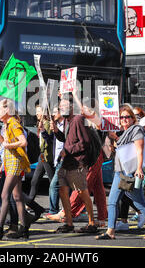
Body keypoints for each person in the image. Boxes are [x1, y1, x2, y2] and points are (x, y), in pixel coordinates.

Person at [96, 105, 145, 240]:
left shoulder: (136, 129)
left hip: (130, 172)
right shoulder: (121, 132)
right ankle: (110, 232)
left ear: (133, 119)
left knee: (139, 203)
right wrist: (113, 138)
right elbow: (115, 151)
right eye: (121, 117)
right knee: (113, 201)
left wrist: (138, 169)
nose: (124, 119)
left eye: (127, 117)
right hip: (119, 172)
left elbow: (139, 150)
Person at [0, 98, 31, 240]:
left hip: (15, 161)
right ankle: (24, 228)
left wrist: (9, 145)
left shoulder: (13, 123)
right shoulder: (7, 124)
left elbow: (23, 142)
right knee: (17, 197)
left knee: (4, 195)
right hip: (10, 161)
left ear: (8, 110)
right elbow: (4, 143)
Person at [52, 94, 97, 234]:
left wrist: (67, 150)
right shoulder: (66, 120)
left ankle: (91, 223)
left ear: (72, 107)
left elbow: (84, 142)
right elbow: (67, 139)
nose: (62, 108)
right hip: (67, 162)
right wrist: (56, 131)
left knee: (81, 192)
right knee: (62, 191)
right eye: (61, 106)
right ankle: (69, 223)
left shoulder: (78, 119)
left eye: (65, 106)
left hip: (77, 162)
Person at [28, 105, 54, 201]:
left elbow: (48, 141)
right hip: (42, 155)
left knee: (53, 181)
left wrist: (42, 130)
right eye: (36, 111)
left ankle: (57, 205)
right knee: (35, 180)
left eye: (38, 111)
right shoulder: (41, 123)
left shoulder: (46, 124)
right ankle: (30, 202)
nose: (36, 114)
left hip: (46, 155)